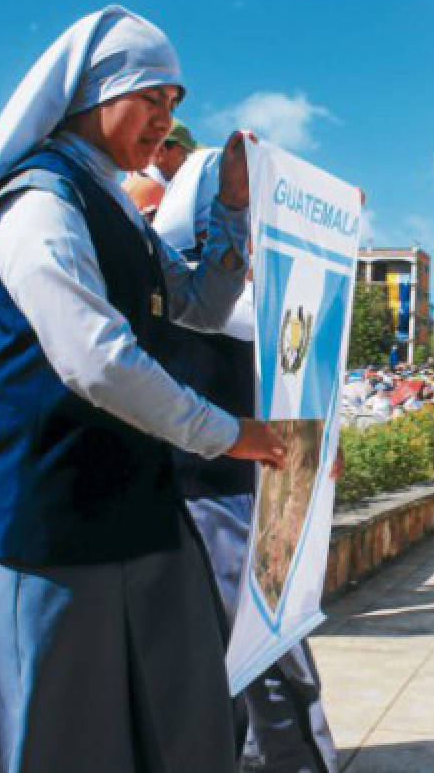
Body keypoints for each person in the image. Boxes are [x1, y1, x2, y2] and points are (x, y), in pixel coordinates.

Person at [0, 7, 288, 773]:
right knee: (53, 735)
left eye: (176, 104)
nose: (165, 118)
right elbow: (96, 361)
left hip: (135, 512)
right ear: (96, 89)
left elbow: (198, 305)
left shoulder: (113, 200)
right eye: (152, 96)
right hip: (52, 528)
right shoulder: (37, 202)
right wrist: (231, 434)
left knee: (166, 723)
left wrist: (231, 206)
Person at [144, 134, 338, 773]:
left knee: (264, 650)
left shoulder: (251, 301)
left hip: (243, 495)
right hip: (215, 497)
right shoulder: (197, 300)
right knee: (264, 655)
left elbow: (292, 386)